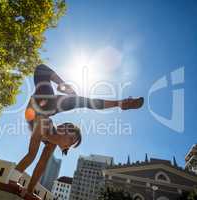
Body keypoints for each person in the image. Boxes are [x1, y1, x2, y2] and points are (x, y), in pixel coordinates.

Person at [9, 64, 144, 197]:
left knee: (38, 151)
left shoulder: (51, 144)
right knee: (76, 100)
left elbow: (41, 164)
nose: (69, 145)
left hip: (37, 114)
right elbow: (91, 103)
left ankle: (70, 92)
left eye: (71, 145)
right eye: (71, 140)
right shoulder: (49, 120)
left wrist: (29, 191)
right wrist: (118, 103)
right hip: (41, 104)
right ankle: (119, 103)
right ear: (63, 131)